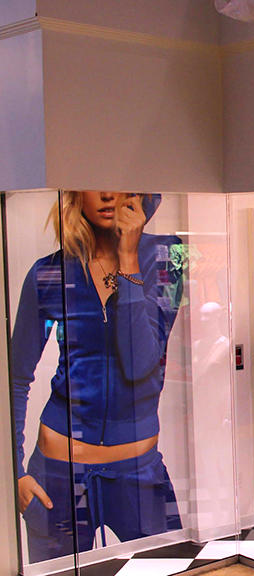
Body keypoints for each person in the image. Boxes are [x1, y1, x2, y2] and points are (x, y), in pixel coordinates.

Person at [12, 191, 184, 562]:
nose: (107, 193)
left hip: (140, 472)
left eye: (118, 181)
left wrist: (128, 259)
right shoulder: (49, 272)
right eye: (93, 181)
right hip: (58, 476)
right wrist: (13, 472)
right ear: (75, 193)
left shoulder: (168, 257)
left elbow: (141, 366)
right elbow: (15, 379)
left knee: (169, 565)